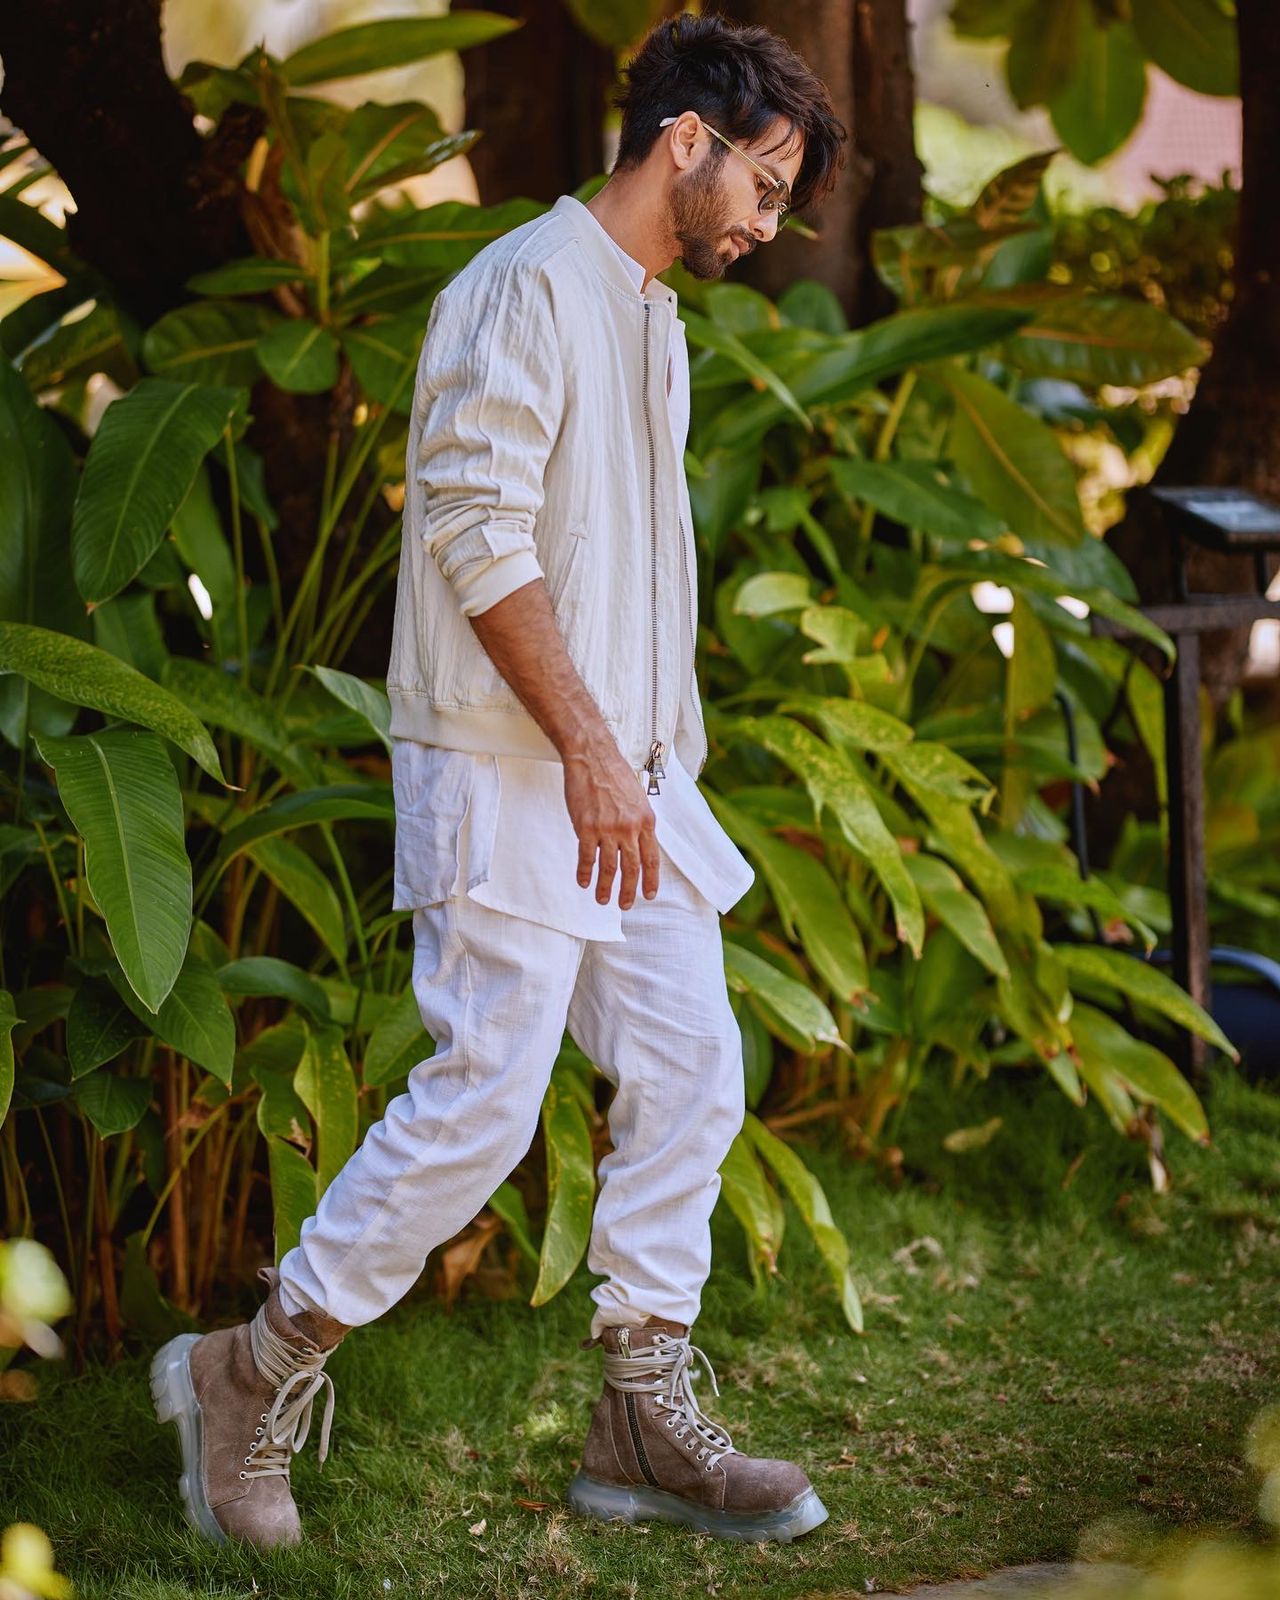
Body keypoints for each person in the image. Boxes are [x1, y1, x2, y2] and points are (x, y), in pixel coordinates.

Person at [150, 9, 846, 1551]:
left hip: (631, 783)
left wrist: (647, 759)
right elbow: (477, 531)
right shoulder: (521, 286)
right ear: (687, 141)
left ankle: (638, 1416)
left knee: (690, 1066)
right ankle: (244, 1374)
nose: (769, 220)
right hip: (513, 768)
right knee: (483, 1107)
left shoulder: (650, 317)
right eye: (766, 181)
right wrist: (592, 751)